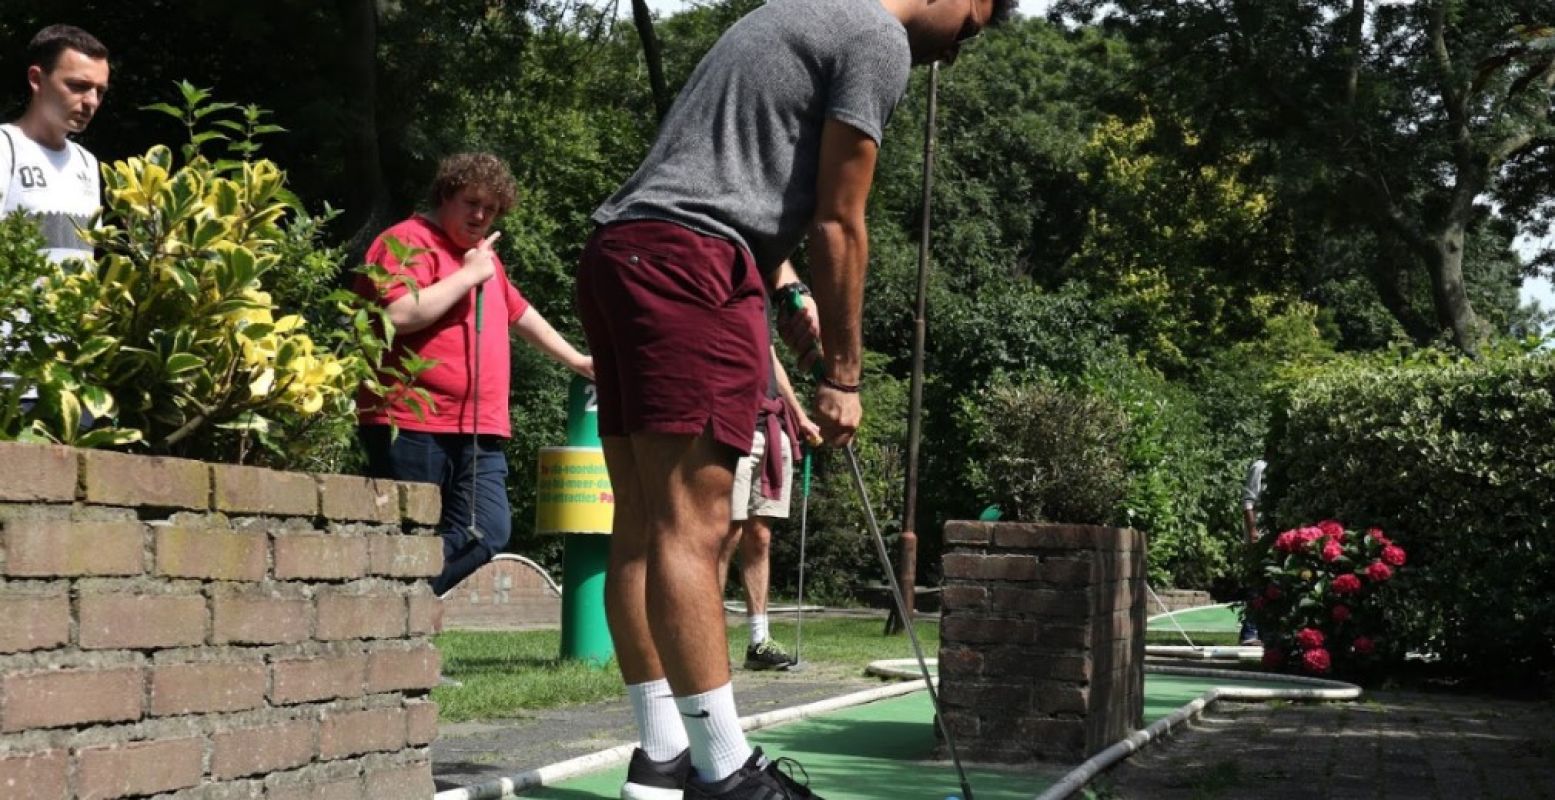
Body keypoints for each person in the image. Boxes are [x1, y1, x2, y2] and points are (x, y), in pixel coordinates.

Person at [574, 0, 1013, 796]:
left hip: (623, 250)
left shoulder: (793, 11)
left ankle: (663, 757)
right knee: (694, 524)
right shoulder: (877, 37)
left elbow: (726, 166)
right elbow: (839, 221)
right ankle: (728, 775)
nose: (958, 50)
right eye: (973, 27)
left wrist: (785, 299)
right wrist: (842, 377)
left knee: (641, 520)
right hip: (695, 262)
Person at [355, 152, 593, 598]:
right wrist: (467, 277)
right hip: (409, 420)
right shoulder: (405, 241)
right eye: (472, 203)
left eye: (492, 208)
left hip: (479, 429)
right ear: (445, 195)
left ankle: (388, 602)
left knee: (488, 530)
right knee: (411, 535)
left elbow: (518, 313)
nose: (481, 215)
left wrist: (576, 360)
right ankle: (391, 618)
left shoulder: (481, 260)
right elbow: (398, 314)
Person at [718, 347, 821, 672]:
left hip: (770, 428)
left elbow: (771, 359)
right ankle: (709, 640)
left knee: (760, 536)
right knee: (726, 535)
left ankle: (759, 642)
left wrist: (800, 416)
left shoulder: (759, 304)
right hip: (732, 423)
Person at [1, 24, 108, 263]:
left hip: (76, 301)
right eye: (79, 86)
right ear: (37, 79)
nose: (91, 101)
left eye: (100, 91)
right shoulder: (5, 148)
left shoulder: (86, 162)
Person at [1239, 456, 1268, 646]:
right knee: (1258, 582)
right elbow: (1248, 502)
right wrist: (1253, 532)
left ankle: (1263, 632)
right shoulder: (1260, 467)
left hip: (1277, 534)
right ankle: (1250, 632)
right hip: (1261, 535)